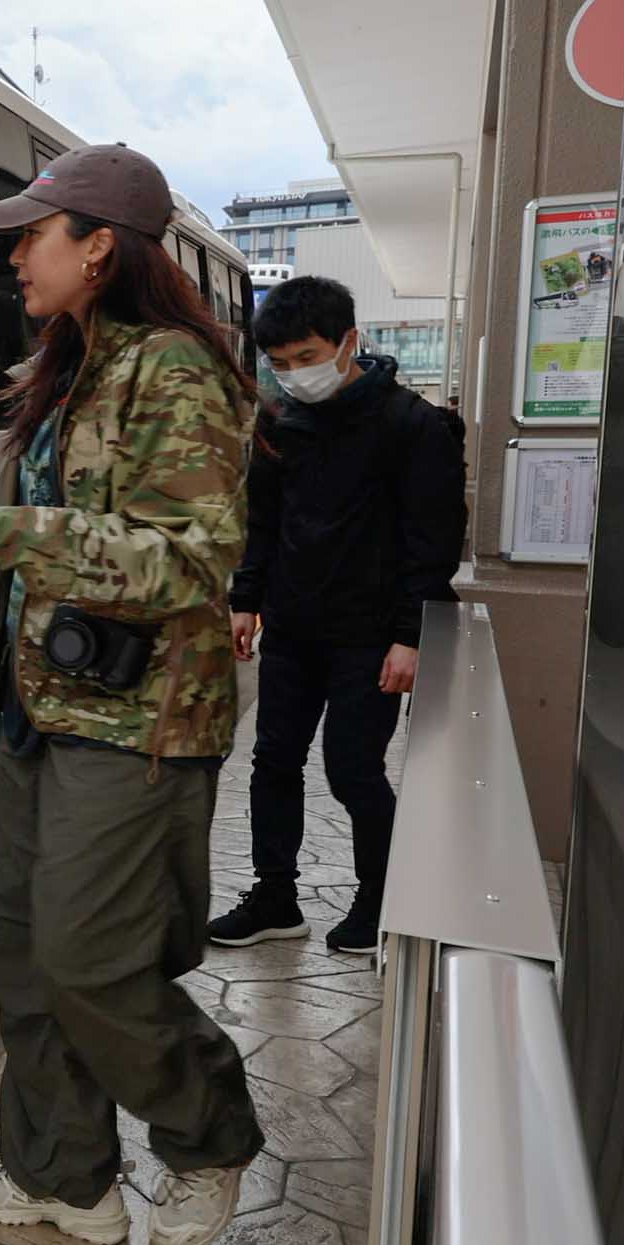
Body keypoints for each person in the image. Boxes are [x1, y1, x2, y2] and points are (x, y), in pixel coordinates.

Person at [0, 143, 265, 1245]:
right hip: (43, 713)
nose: (16, 254)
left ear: (99, 248)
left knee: (92, 963)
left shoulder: (171, 369)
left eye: (34, 234)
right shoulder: (68, 365)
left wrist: (23, 537)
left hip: (138, 727)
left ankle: (209, 1136)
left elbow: (193, 559)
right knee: (23, 957)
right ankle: (65, 1176)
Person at [209, 276, 466, 955]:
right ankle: (275, 896)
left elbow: (432, 541)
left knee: (353, 768)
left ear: (349, 341)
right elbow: (262, 520)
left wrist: (409, 635)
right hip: (293, 628)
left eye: (308, 356)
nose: (296, 374)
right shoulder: (278, 420)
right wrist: (245, 599)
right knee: (272, 761)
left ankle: (378, 898)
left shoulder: (412, 425)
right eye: (281, 363)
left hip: (371, 636)